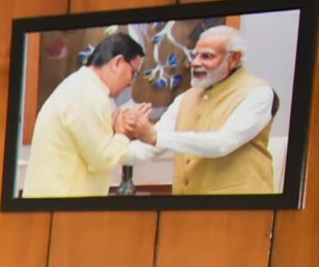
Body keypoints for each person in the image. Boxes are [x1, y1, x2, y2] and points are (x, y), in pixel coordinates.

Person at [119, 24, 280, 197]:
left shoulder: (258, 93)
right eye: (195, 55)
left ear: (233, 59)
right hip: (187, 208)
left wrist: (155, 137)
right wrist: (107, 149)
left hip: (240, 207)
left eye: (207, 56)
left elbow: (222, 143)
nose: (195, 63)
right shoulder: (185, 99)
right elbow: (148, 148)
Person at [21, 31, 148, 199]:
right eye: (133, 73)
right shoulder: (89, 93)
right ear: (117, 62)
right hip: (60, 207)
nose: (131, 83)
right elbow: (101, 160)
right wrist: (124, 134)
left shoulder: (82, 86)